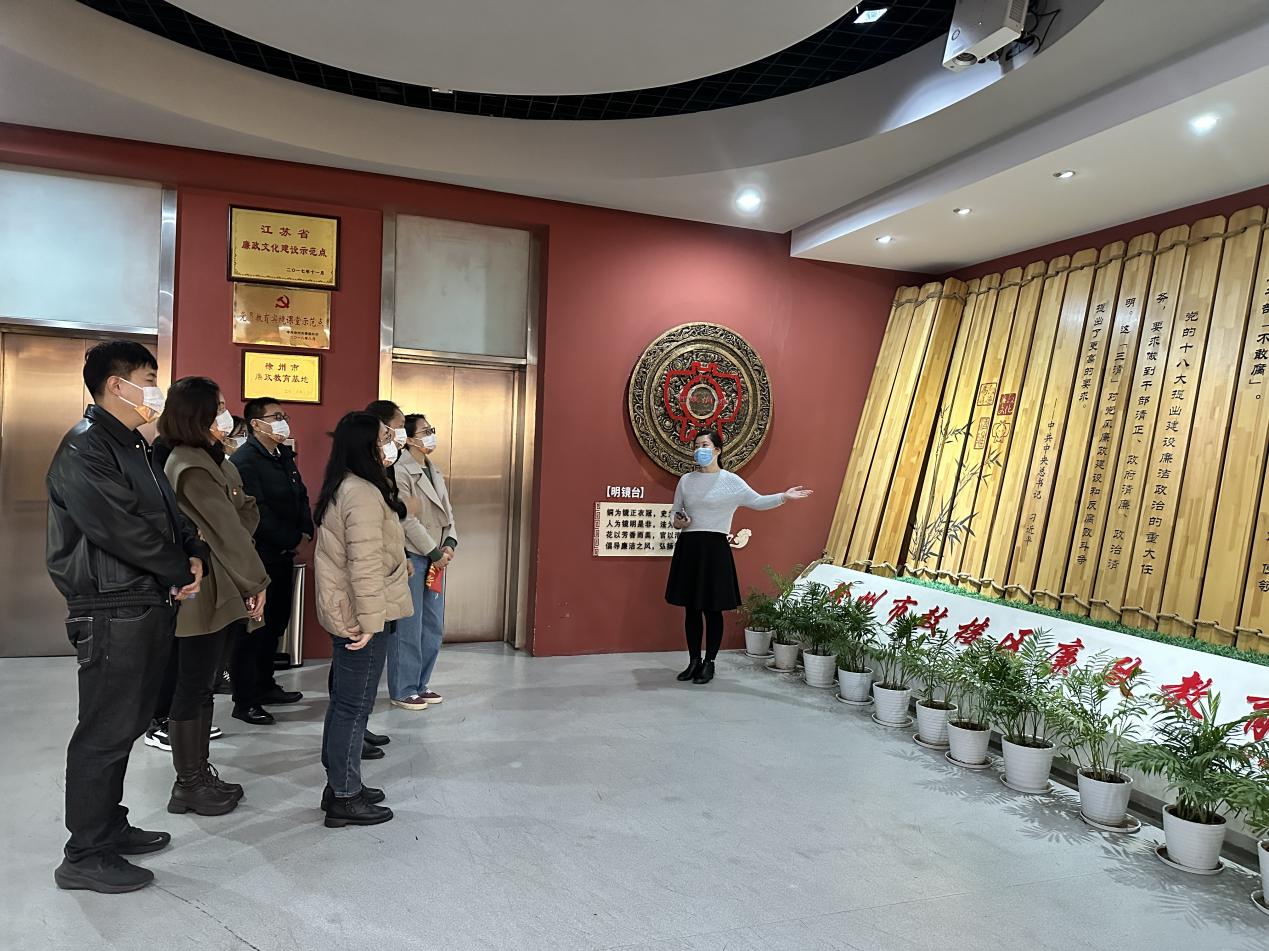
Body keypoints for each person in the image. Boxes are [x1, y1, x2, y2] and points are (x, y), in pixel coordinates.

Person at [46, 341, 207, 894]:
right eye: (148, 377)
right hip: (110, 606)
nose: (155, 390)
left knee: (126, 724)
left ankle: (107, 826)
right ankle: (84, 854)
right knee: (105, 730)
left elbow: (168, 515)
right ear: (117, 384)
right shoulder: (85, 447)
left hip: (140, 600)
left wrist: (193, 552)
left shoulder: (134, 446)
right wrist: (177, 568)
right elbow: (120, 527)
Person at [160, 378, 272, 816]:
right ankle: (187, 783)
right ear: (197, 414)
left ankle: (198, 773)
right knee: (193, 685)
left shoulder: (214, 459)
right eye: (219, 407)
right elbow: (228, 528)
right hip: (202, 590)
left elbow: (244, 513)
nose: (227, 415)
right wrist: (256, 582)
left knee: (205, 684)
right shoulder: (190, 465)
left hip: (222, 582)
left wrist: (229, 533)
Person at [313, 412, 413, 827]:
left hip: (355, 609)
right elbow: (364, 564)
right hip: (362, 616)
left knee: (345, 703)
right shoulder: (362, 493)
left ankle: (340, 783)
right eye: (386, 436)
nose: (393, 442)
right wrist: (371, 622)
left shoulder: (352, 485)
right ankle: (345, 796)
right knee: (354, 707)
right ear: (366, 445)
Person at [665, 431, 812, 685]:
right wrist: (679, 521)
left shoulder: (731, 481)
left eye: (705, 445)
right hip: (690, 546)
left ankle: (709, 663)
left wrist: (783, 497)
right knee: (691, 609)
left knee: (712, 609)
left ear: (718, 450)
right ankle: (693, 661)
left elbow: (758, 501)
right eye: (696, 445)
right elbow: (675, 512)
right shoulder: (686, 480)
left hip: (715, 549)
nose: (700, 450)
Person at [230, 397, 313, 724]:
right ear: (256, 423)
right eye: (275, 416)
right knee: (254, 630)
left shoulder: (283, 455)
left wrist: (305, 529)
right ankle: (245, 700)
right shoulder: (245, 460)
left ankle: (266, 685)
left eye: (284, 415)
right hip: (259, 557)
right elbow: (257, 513)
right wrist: (292, 539)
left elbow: (301, 495)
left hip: (284, 556)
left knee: (276, 623)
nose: (283, 421)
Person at [388, 413, 458, 710]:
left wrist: (450, 543)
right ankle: (403, 688)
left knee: (432, 625)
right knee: (409, 626)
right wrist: (434, 552)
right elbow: (406, 519)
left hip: (438, 557)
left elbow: (448, 513)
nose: (430, 435)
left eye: (431, 429)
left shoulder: (434, 469)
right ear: (409, 437)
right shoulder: (399, 469)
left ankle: (420, 683)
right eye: (425, 431)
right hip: (415, 556)